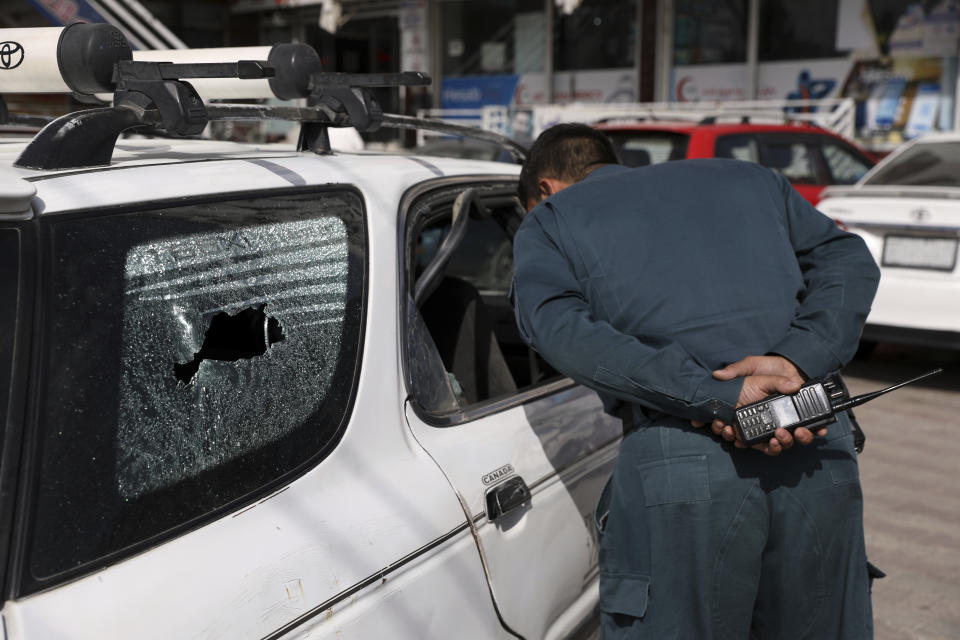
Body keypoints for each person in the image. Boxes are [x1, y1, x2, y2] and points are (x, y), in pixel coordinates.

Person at [510, 123, 880, 638]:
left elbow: (558, 327)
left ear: (544, 189)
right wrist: (797, 361)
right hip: (813, 436)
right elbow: (848, 257)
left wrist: (718, 394)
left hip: (683, 455)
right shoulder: (750, 179)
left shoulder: (550, 220)